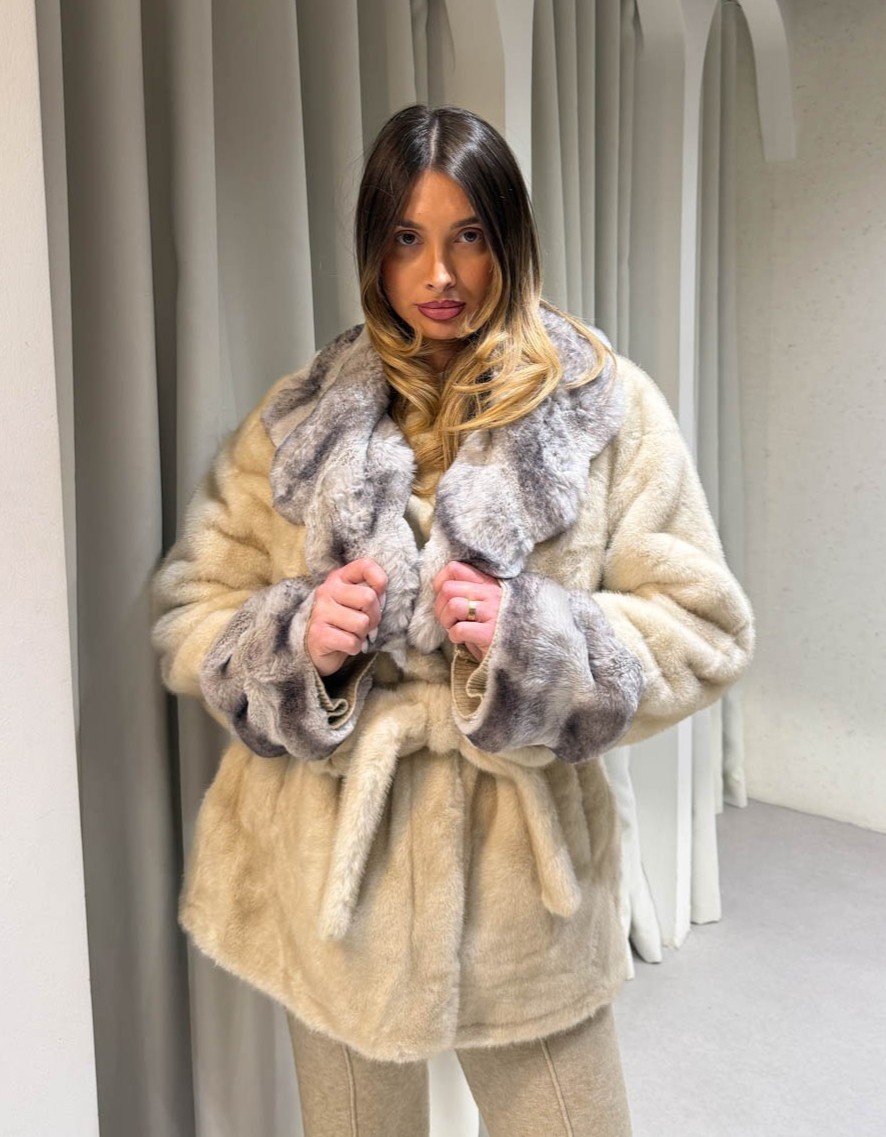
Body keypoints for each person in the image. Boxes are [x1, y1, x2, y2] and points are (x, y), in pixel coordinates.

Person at [150, 103, 755, 1136]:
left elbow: (703, 624)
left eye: (468, 235)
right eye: (407, 238)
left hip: (525, 891)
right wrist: (299, 644)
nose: (439, 275)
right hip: (335, 878)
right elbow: (191, 608)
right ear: (373, 251)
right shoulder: (304, 420)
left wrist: (535, 644)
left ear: (508, 238)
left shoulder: (599, 407)